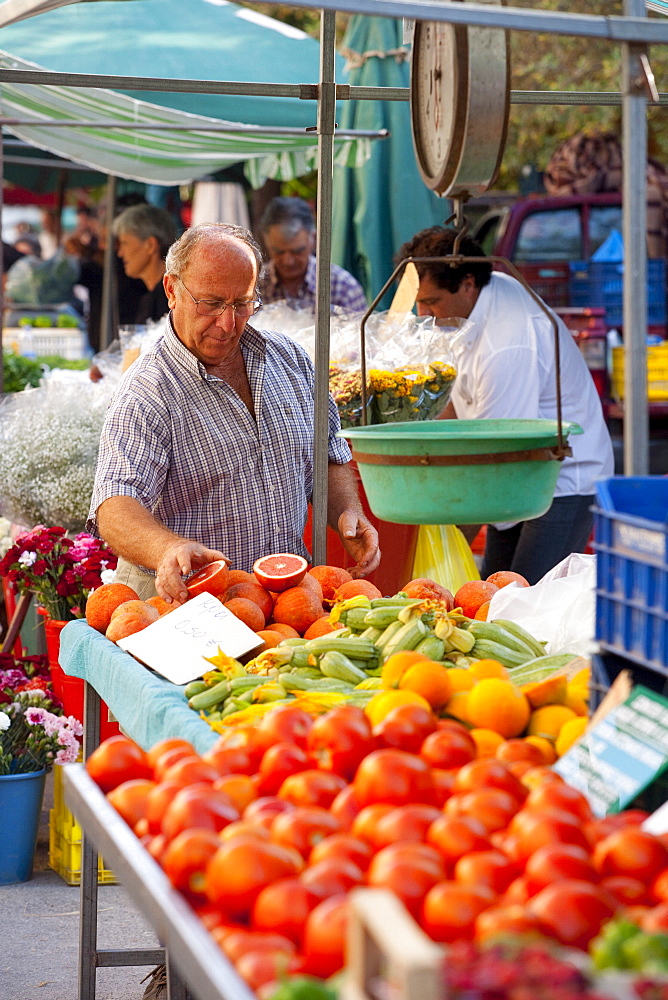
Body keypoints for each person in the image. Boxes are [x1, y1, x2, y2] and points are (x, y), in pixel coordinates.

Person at [88, 222, 380, 604]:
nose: (228, 324)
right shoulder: (147, 390)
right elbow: (114, 503)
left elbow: (328, 454)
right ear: (172, 290)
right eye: (210, 303)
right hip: (190, 606)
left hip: (284, 600)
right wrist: (167, 549)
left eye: (242, 304)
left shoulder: (289, 359)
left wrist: (347, 513)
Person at [395, 226, 614, 585]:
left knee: (525, 599)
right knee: (492, 595)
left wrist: (451, 530)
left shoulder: (508, 344)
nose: (423, 312)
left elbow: (493, 451)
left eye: (432, 301)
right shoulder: (481, 297)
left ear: (467, 283)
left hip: (559, 478)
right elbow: (455, 401)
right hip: (517, 474)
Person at [258, 196, 367, 313]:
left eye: (297, 251)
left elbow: (359, 330)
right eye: (278, 252)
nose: (288, 261)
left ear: (313, 239)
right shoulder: (255, 286)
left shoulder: (343, 287)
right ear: (266, 242)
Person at [112, 203, 177, 324]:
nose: (120, 253)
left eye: (125, 243)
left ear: (150, 245)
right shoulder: (153, 298)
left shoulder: (171, 300)